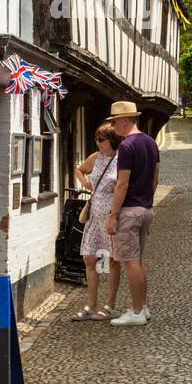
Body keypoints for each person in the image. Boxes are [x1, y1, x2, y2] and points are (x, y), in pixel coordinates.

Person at [105, 100, 159, 327]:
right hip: (145, 208)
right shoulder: (150, 142)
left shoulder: (127, 147)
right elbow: (156, 178)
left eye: (115, 121)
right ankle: (142, 307)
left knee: (130, 261)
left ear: (125, 120)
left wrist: (113, 215)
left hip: (129, 210)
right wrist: (147, 201)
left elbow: (122, 185)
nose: (113, 126)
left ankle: (136, 312)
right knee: (137, 261)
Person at [72, 126, 123, 321]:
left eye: (101, 139)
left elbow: (124, 186)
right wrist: (85, 184)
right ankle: (91, 305)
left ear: (112, 140)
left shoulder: (120, 160)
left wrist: (116, 213)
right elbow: (79, 169)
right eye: (96, 139)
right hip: (93, 215)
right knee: (89, 258)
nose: (98, 143)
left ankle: (110, 305)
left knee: (111, 260)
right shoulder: (95, 157)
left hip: (111, 216)